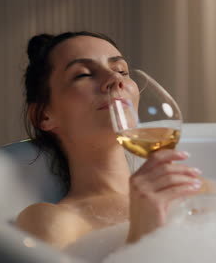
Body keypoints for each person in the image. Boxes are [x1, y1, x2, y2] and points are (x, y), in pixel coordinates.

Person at [16, 31, 204, 249]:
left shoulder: (196, 189)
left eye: (121, 70)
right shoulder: (53, 221)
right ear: (44, 115)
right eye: (84, 74)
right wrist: (144, 236)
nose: (115, 79)